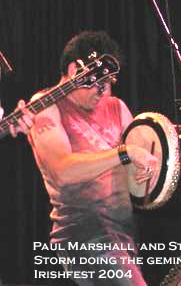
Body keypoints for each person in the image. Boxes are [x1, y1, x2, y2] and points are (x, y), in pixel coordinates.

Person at [12, 31, 157, 285]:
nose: (106, 91)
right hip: (85, 233)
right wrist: (125, 153)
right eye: (100, 82)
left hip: (125, 232)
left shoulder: (116, 107)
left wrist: (147, 169)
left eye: (110, 81)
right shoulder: (46, 106)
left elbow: (135, 169)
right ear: (73, 71)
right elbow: (63, 173)